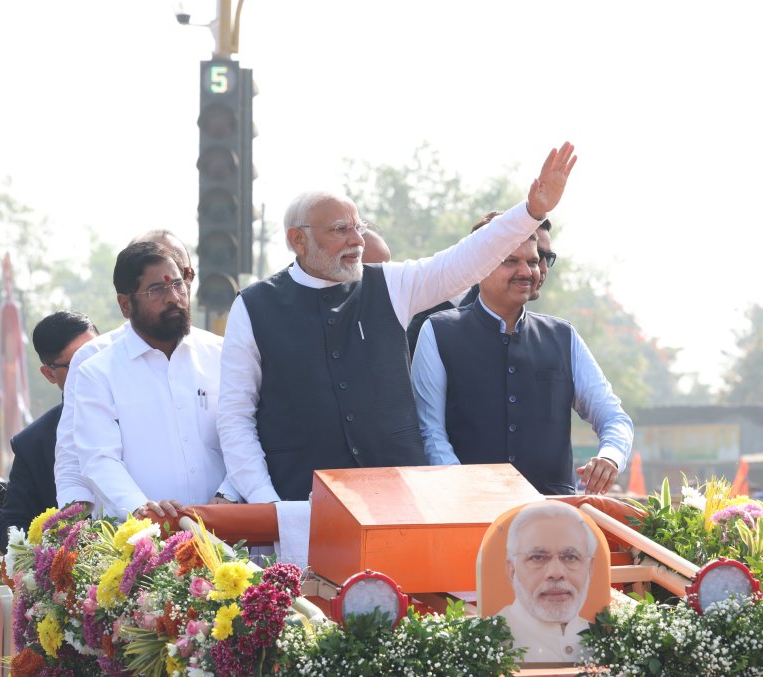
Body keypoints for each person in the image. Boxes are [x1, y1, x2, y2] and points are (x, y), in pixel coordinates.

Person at [218, 142, 577, 503]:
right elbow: (235, 419)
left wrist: (530, 212)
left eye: (359, 227)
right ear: (298, 240)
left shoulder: (389, 284)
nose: (357, 241)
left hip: (397, 503)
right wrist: (268, 504)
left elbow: (462, 262)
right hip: (301, 506)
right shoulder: (253, 307)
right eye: (341, 230)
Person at [411, 233, 632, 495]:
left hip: (554, 512)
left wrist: (610, 457)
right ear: (479, 267)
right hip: (470, 510)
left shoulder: (562, 335)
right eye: (511, 261)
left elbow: (613, 416)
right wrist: (462, 491)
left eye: (533, 261)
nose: (526, 271)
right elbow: (429, 431)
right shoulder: (439, 331)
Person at [53, 229, 236, 516]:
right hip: (143, 542)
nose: (174, 297)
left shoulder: (223, 355)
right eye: (157, 290)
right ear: (126, 305)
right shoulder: (97, 370)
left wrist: (230, 493)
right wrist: (142, 509)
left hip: (227, 532)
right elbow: (96, 458)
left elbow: (246, 436)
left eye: (178, 284)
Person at [0, 311, 98, 552]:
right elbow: (10, 524)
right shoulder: (33, 443)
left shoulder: (145, 410)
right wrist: (49, 547)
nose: (93, 369)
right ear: (49, 374)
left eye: (97, 355)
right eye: (77, 364)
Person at [407, 214, 554, 355]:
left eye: (544, 258)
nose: (542, 268)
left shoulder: (558, 337)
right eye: (512, 259)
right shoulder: (440, 318)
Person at [498, 501, 597, 663]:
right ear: (512, 570)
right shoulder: (489, 640)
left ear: (590, 569)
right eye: (537, 557)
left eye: (571, 557)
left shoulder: (609, 639)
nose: (556, 573)